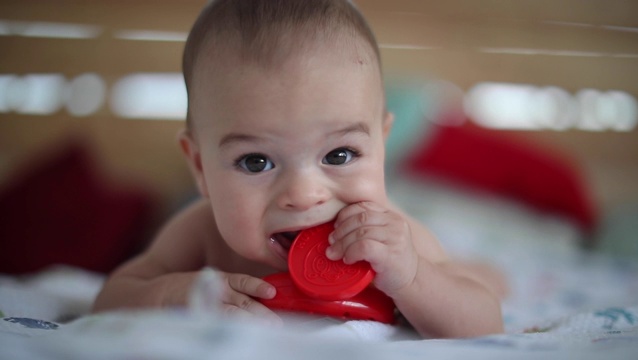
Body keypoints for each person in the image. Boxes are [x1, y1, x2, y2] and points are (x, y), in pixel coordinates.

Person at [93, 0, 506, 338]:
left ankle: (487, 268)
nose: (305, 194)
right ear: (201, 167)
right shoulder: (200, 234)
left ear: (380, 145)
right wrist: (171, 294)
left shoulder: (395, 240)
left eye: (339, 155)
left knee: (475, 278)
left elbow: (483, 324)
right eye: (256, 161)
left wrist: (413, 278)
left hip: (445, 266)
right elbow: (110, 298)